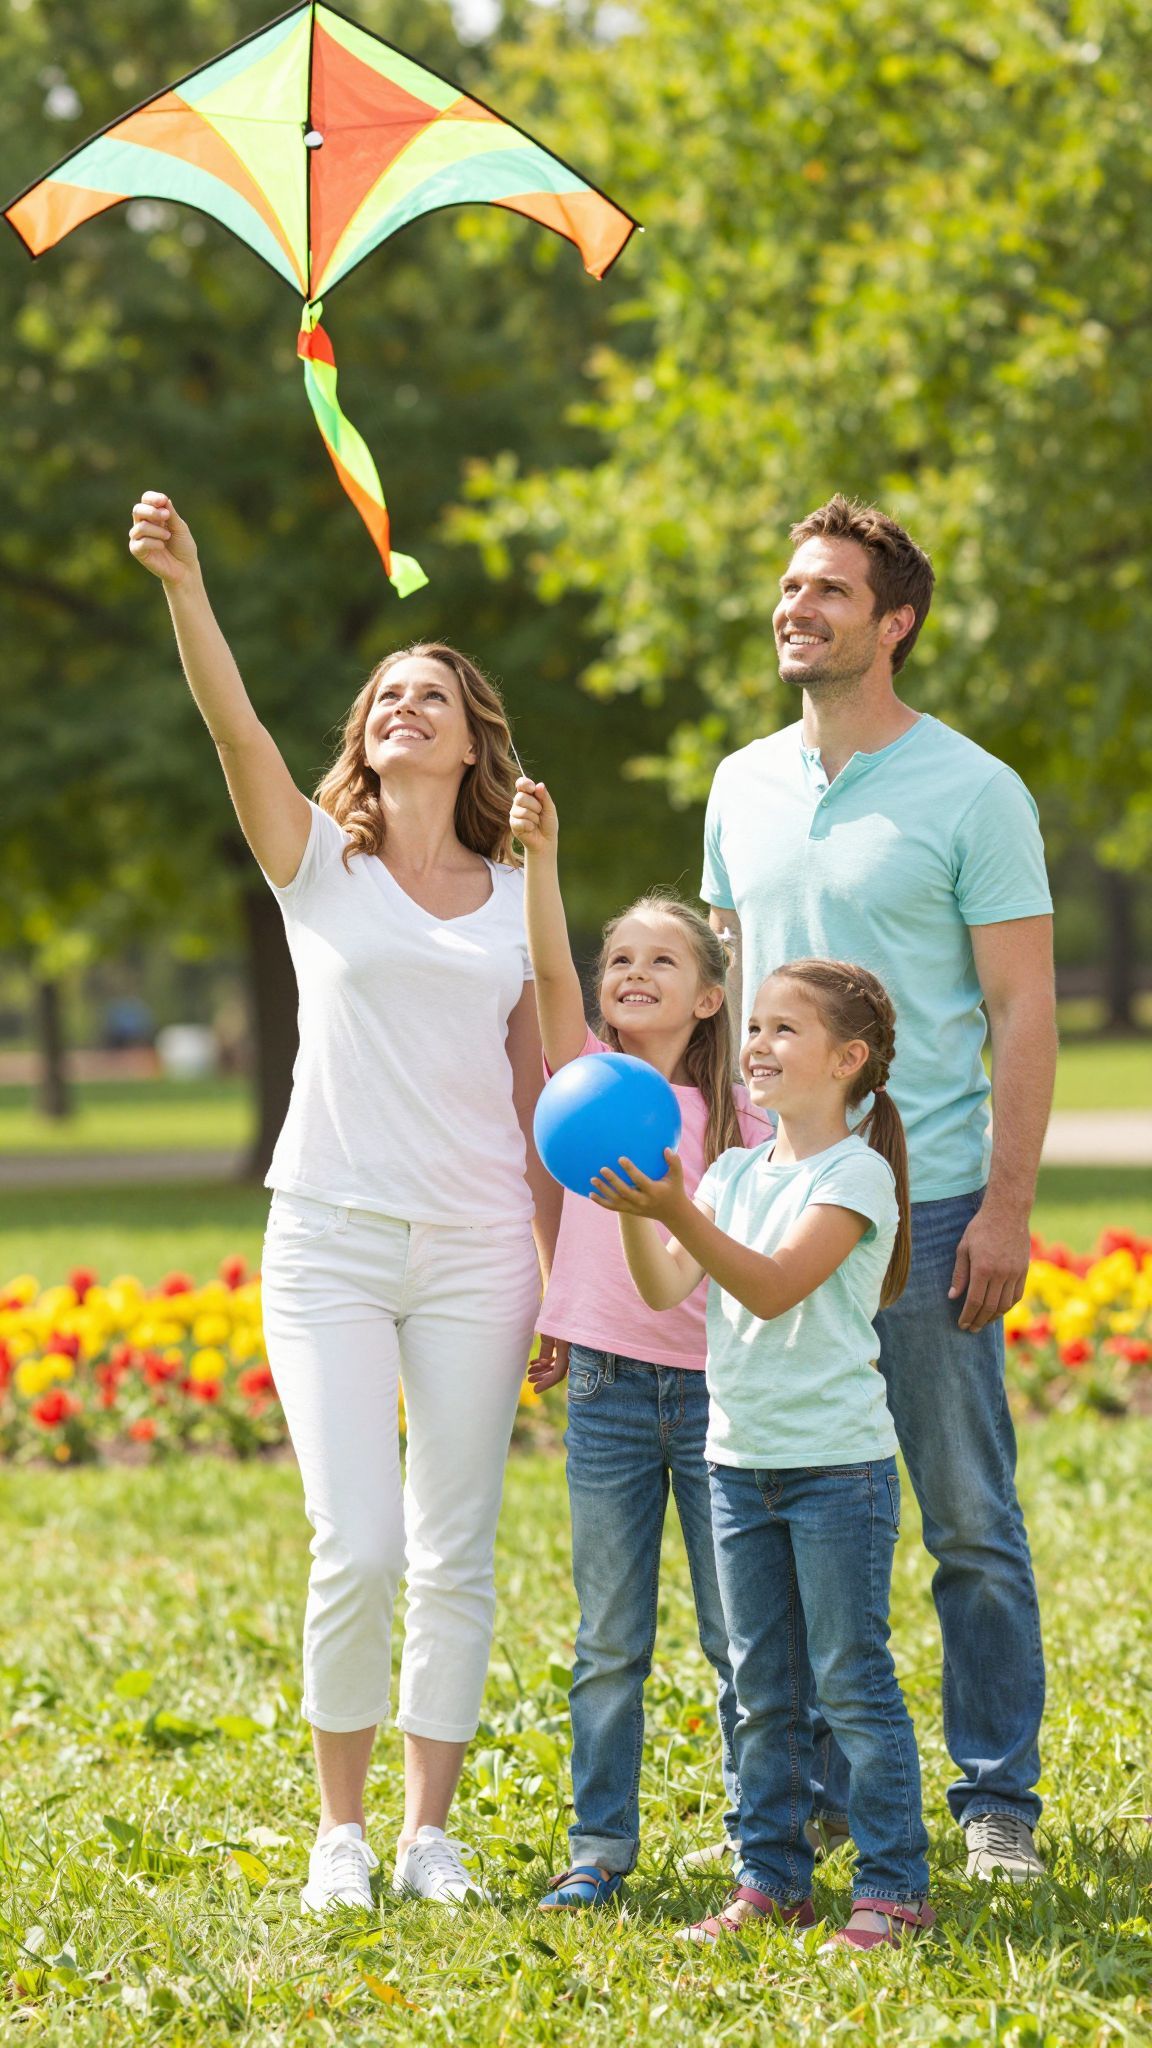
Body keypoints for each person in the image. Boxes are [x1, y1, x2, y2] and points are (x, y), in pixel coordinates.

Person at [128, 490, 560, 1915]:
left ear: (473, 735)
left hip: (484, 1245)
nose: (403, 710)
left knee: (456, 1545)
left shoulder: (511, 891)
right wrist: (190, 587)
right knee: (358, 1541)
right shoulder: (320, 862)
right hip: (329, 1235)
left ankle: (431, 1833)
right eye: (386, 695)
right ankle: (344, 1831)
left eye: (430, 696)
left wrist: (559, 1270)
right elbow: (236, 735)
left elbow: (542, 1080)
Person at [702, 495, 1055, 1882]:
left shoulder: (976, 791)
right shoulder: (739, 784)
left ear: (893, 621)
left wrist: (1011, 1207)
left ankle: (995, 1802)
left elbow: (1024, 1010)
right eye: (790, 586)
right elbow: (737, 997)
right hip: (784, 1207)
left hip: (940, 1208)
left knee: (966, 1511)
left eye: (828, 591)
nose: (797, 607)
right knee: (797, 1491)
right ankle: (825, 1797)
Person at [595, 958, 934, 1953]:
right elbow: (667, 1287)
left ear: (849, 1058)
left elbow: (778, 1285)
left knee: (849, 1676)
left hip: (837, 1466)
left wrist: (677, 1211)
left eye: (786, 1029)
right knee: (761, 1685)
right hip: (739, 1460)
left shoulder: (857, 1174)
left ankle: (893, 1886)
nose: (758, 1045)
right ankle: (773, 1879)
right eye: (754, 1026)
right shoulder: (737, 1171)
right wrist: (632, 1210)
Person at [508, 775, 769, 1907]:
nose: (631, 974)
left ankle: (766, 1842)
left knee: (739, 1641)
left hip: (718, 1398)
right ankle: (598, 1850)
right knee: (608, 1641)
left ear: (713, 998)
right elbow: (551, 970)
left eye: (663, 961)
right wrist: (541, 857)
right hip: (607, 1393)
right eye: (623, 960)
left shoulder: (743, 1119)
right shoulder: (585, 1078)